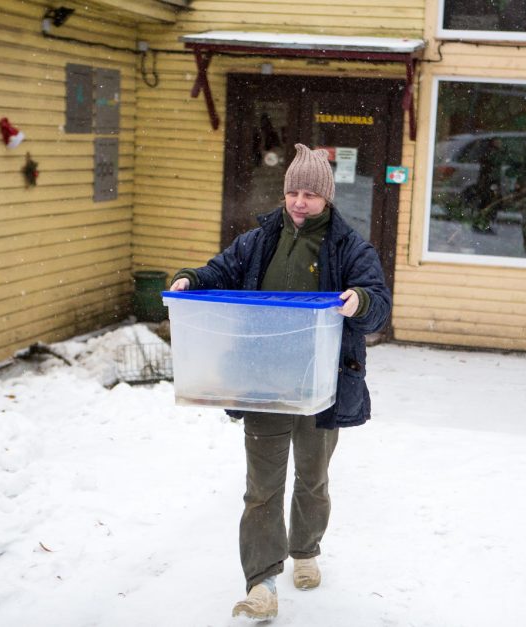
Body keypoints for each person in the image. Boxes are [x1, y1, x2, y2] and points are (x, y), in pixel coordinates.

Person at [169, 143, 392, 620]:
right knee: (262, 488)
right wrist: (192, 279)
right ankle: (262, 582)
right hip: (264, 381)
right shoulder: (262, 238)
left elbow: (378, 302)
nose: (299, 201)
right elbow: (221, 269)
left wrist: (359, 301)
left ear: (326, 197)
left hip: (321, 386)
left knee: (311, 480)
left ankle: (306, 550)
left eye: (310, 193)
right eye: (293, 190)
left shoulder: (349, 246)